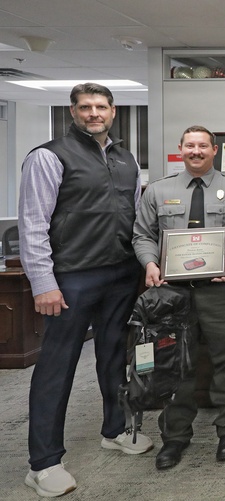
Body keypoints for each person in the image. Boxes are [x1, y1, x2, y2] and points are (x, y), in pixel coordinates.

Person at [18, 83, 152, 497]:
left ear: (113, 111)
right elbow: (33, 224)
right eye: (85, 107)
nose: (94, 113)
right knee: (57, 366)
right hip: (72, 277)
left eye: (101, 107)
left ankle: (115, 429)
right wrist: (43, 283)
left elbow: (134, 217)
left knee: (115, 358)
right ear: (72, 112)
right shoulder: (48, 156)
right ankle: (43, 462)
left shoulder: (125, 157)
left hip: (120, 274)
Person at [132, 125, 225, 469]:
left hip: (221, 291)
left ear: (215, 150)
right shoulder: (158, 191)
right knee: (174, 364)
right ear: (180, 148)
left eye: (203, 146)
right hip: (172, 294)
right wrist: (150, 263)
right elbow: (142, 235)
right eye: (190, 145)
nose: (196, 151)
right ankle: (175, 436)